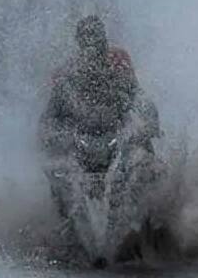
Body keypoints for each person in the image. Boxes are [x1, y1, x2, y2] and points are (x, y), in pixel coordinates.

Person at [39, 15, 159, 169]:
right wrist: (50, 135)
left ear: (103, 41)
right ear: (80, 43)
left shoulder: (119, 65)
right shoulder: (66, 75)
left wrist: (149, 124)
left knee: (145, 161)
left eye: (96, 39)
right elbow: (50, 114)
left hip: (118, 135)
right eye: (86, 39)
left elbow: (139, 97)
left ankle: (162, 188)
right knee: (57, 165)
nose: (92, 46)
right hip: (79, 139)